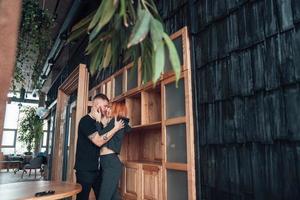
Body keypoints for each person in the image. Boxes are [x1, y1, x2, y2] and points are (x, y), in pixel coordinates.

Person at [74, 93, 125, 200]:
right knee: (82, 198)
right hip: (85, 170)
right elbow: (98, 142)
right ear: (97, 106)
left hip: (98, 170)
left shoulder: (100, 123)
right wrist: (115, 128)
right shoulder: (86, 121)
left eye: (108, 106)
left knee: (104, 196)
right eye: (105, 106)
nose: (107, 109)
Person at [96, 101, 132, 200]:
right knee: (113, 196)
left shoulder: (118, 121)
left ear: (116, 109)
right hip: (107, 161)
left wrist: (98, 120)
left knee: (104, 197)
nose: (107, 109)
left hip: (110, 162)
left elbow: (99, 136)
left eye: (110, 107)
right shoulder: (114, 122)